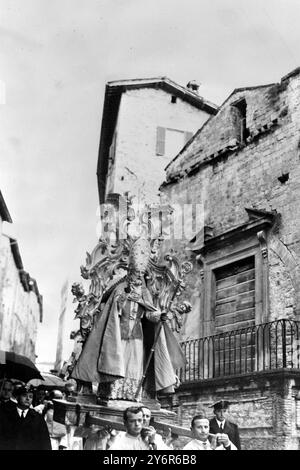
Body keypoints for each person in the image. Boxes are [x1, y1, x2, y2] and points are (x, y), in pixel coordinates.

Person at [72, 264, 185, 401]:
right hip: (118, 333)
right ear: (130, 271)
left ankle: (132, 395)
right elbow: (113, 307)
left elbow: (149, 314)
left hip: (137, 334)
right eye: (136, 272)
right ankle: (112, 392)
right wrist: (124, 296)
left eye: (141, 273)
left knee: (134, 364)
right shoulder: (120, 288)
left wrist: (160, 315)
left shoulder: (145, 292)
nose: (138, 275)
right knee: (116, 362)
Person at [0, 385, 52, 450]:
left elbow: (45, 441)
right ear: (17, 397)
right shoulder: (6, 414)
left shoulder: (38, 418)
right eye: (24, 395)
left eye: (31, 397)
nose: (28, 399)